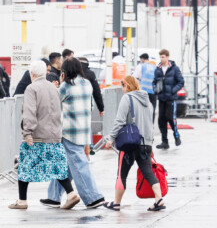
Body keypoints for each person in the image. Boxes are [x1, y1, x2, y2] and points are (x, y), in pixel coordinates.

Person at [9, 60, 80, 210]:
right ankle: (71, 193)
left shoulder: (31, 88)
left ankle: (22, 201)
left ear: (31, 74)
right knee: (58, 167)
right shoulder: (54, 88)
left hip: (37, 136)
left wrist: (27, 132)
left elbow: (29, 112)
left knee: (24, 167)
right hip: (54, 135)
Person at [41, 58, 105, 209]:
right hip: (83, 130)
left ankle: (93, 197)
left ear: (65, 71)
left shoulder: (67, 86)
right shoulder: (87, 83)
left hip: (69, 132)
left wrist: (57, 85)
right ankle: (53, 197)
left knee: (79, 164)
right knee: (64, 165)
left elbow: (53, 103)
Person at [103, 76, 166, 212]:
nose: (122, 90)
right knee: (148, 172)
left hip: (130, 143)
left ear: (126, 85)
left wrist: (111, 138)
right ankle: (158, 199)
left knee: (122, 174)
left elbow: (119, 121)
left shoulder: (127, 98)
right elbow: (150, 124)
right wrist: (150, 144)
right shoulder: (148, 101)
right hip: (146, 143)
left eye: (123, 87)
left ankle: (116, 203)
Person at [152, 49, 184, 149]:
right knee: (161, 119)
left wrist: (172, 90)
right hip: (161, 98)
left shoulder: (174, 68)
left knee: (170, 118)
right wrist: (155, 89)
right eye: (160, 57)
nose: (161, 59)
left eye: (163, 57)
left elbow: (181, 82)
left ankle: (176, 136)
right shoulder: (158, 69)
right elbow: (154, 82)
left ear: (167, 57)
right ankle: (164, 141)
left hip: (171, 98)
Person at [133, 53, 157, 121]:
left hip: (143, 91)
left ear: (142, 59)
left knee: (142, 109)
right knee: (152, 109)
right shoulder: (154, 67)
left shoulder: (141, 66)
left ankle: (143, 125)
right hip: (153, 91)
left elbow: (135, 77)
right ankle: (151, 125)